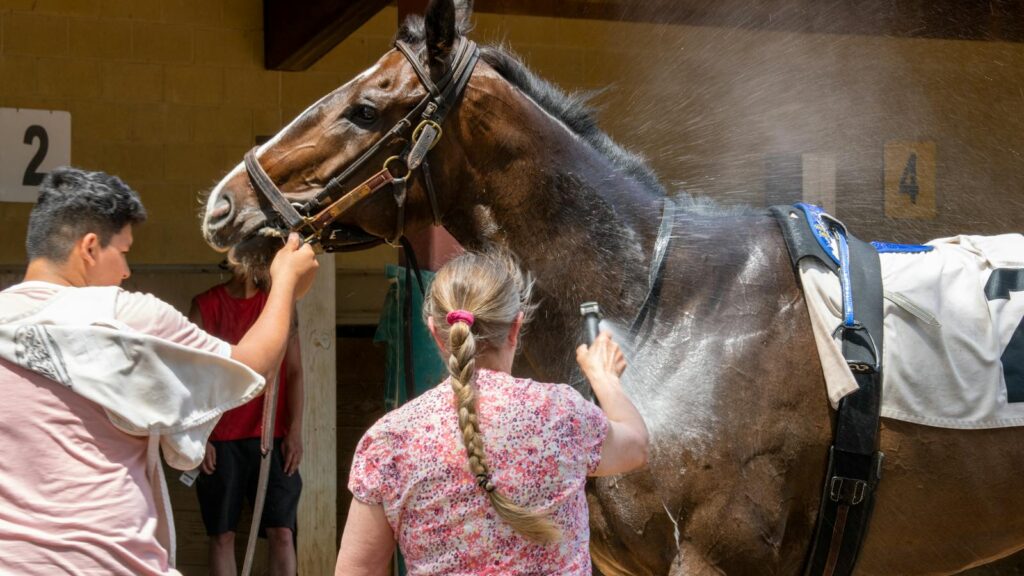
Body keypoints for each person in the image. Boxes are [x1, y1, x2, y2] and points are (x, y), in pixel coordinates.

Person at [0, 167, 318, 576]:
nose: (127, 272)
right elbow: (247, 369)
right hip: (111, 562)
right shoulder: (123, 315)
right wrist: (286, 281)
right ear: (90, 248)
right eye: (125, 252)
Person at [335, 249, 650, 575]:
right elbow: (636, 446)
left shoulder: (389, 443)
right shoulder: (562, 415)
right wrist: (605, 379)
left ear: (435, 333)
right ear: (516, 326)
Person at [189, 261, 304, 576]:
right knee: (222, 535)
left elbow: (293, 371)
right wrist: (200, 437)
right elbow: (192, 378)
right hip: (220, 439)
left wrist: (294, 430)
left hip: (272, 436)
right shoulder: (206, 305)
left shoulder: (278, 305)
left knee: (282, 532)